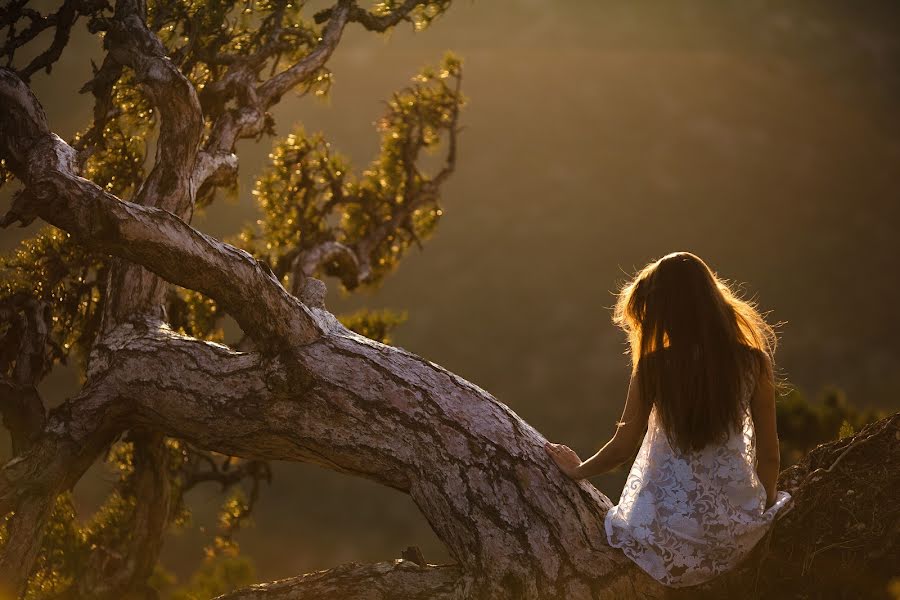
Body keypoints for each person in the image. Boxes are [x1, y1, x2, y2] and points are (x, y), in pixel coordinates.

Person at [544, 251, 792, 588]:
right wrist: (755, 516)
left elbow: (623, 447)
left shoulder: (654, 366)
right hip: (734, 535)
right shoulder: (753, 361)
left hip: (662, 537)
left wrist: (577, 470)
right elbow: (769, 453)